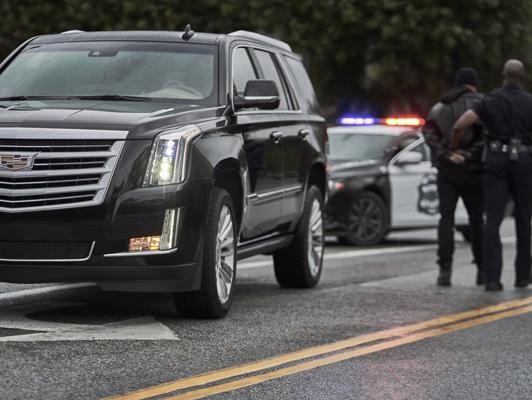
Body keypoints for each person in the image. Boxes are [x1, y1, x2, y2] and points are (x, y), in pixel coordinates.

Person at [450, 59, 532, 291]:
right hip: (524, 162)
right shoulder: (530, 102)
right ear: (522, 77)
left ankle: (492, 279)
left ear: (503, 75)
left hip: (496, 162)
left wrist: (455, 148)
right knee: (524, 220)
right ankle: (523, 276)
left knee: (493, 220)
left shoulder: (489, 100)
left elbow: (459, 124)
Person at [423, 67, 485, 286]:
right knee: (477, 220)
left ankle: (445, 270)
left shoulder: (439, 107)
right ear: (473, 84)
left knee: (445, 220)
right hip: (473, 171)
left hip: (446, 170)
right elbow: (487, 136)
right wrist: (468, 155)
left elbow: (428, 134)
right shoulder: (481, 105)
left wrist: (447, 154)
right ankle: (482, 270)